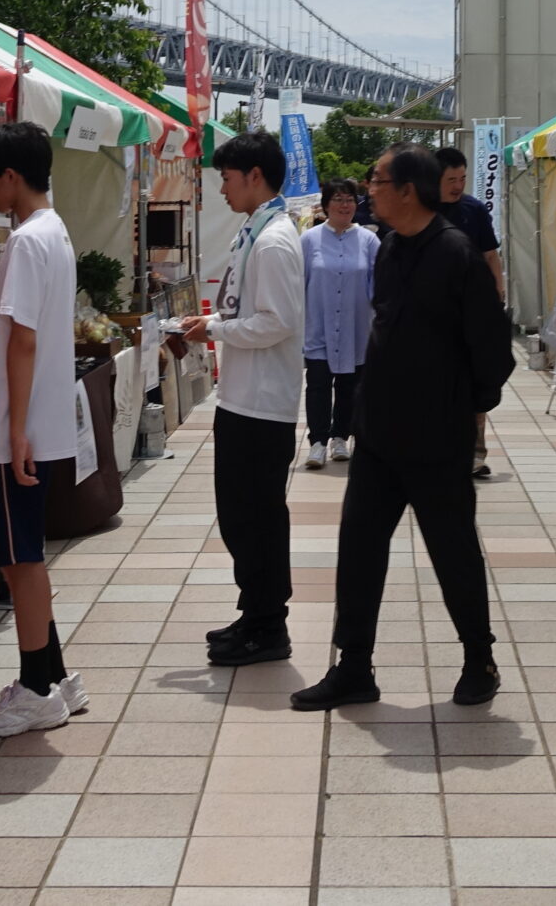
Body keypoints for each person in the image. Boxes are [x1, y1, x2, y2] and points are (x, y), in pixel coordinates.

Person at [291, 144, 513, 712]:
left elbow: (491, 350)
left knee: (453, 549)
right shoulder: (389, 248)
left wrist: (460, 408)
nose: (369, 187)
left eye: (378, 179)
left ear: (408, 190)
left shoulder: (457, 253)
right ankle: (353, 667)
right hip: (380, 434)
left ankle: (478, 660)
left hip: (437, 438)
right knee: (360, 547)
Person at [0, 121, 86, 737]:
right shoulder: (52, 232)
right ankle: (54, 675)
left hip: (11, 429)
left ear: (11, 175)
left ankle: (37, 690)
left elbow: (23, 342)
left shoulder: (30, 241)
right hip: (22, 425)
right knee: (20, 556)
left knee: (18, 559)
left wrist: (16, 431)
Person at [172, 130, 305, 667]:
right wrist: (214, 322)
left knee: (255, 518)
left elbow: (277, 322)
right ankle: (255, 615)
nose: (222, 189)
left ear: (255, 176)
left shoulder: (273, 240)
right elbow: (252, 310)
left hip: (263, 403)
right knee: (240, 517)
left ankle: (269, 627)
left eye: (227, 178)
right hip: (244, 398)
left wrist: (216, 332)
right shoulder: (258, 229)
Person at [436, 145, 507, 479]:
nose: (458, 185)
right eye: (451, 179)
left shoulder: (474, 210)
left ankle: (476, 454)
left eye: (462, 178)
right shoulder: (422, 212)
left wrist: (498, 292)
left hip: (472, 316)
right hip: (435, 320)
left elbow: (491, 254)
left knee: (475, 388)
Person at [301, 178, 377, 469]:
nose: (345, 206)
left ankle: (340, 438)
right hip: (319, 326)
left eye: (350, 200)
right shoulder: (309, 240)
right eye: (338, 199)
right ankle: (317, 442)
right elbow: (299, 283)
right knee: (318, 385)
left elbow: (378, 285)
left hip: (356, 328)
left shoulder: (369, 240)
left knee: (349, 386)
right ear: (325, 205)